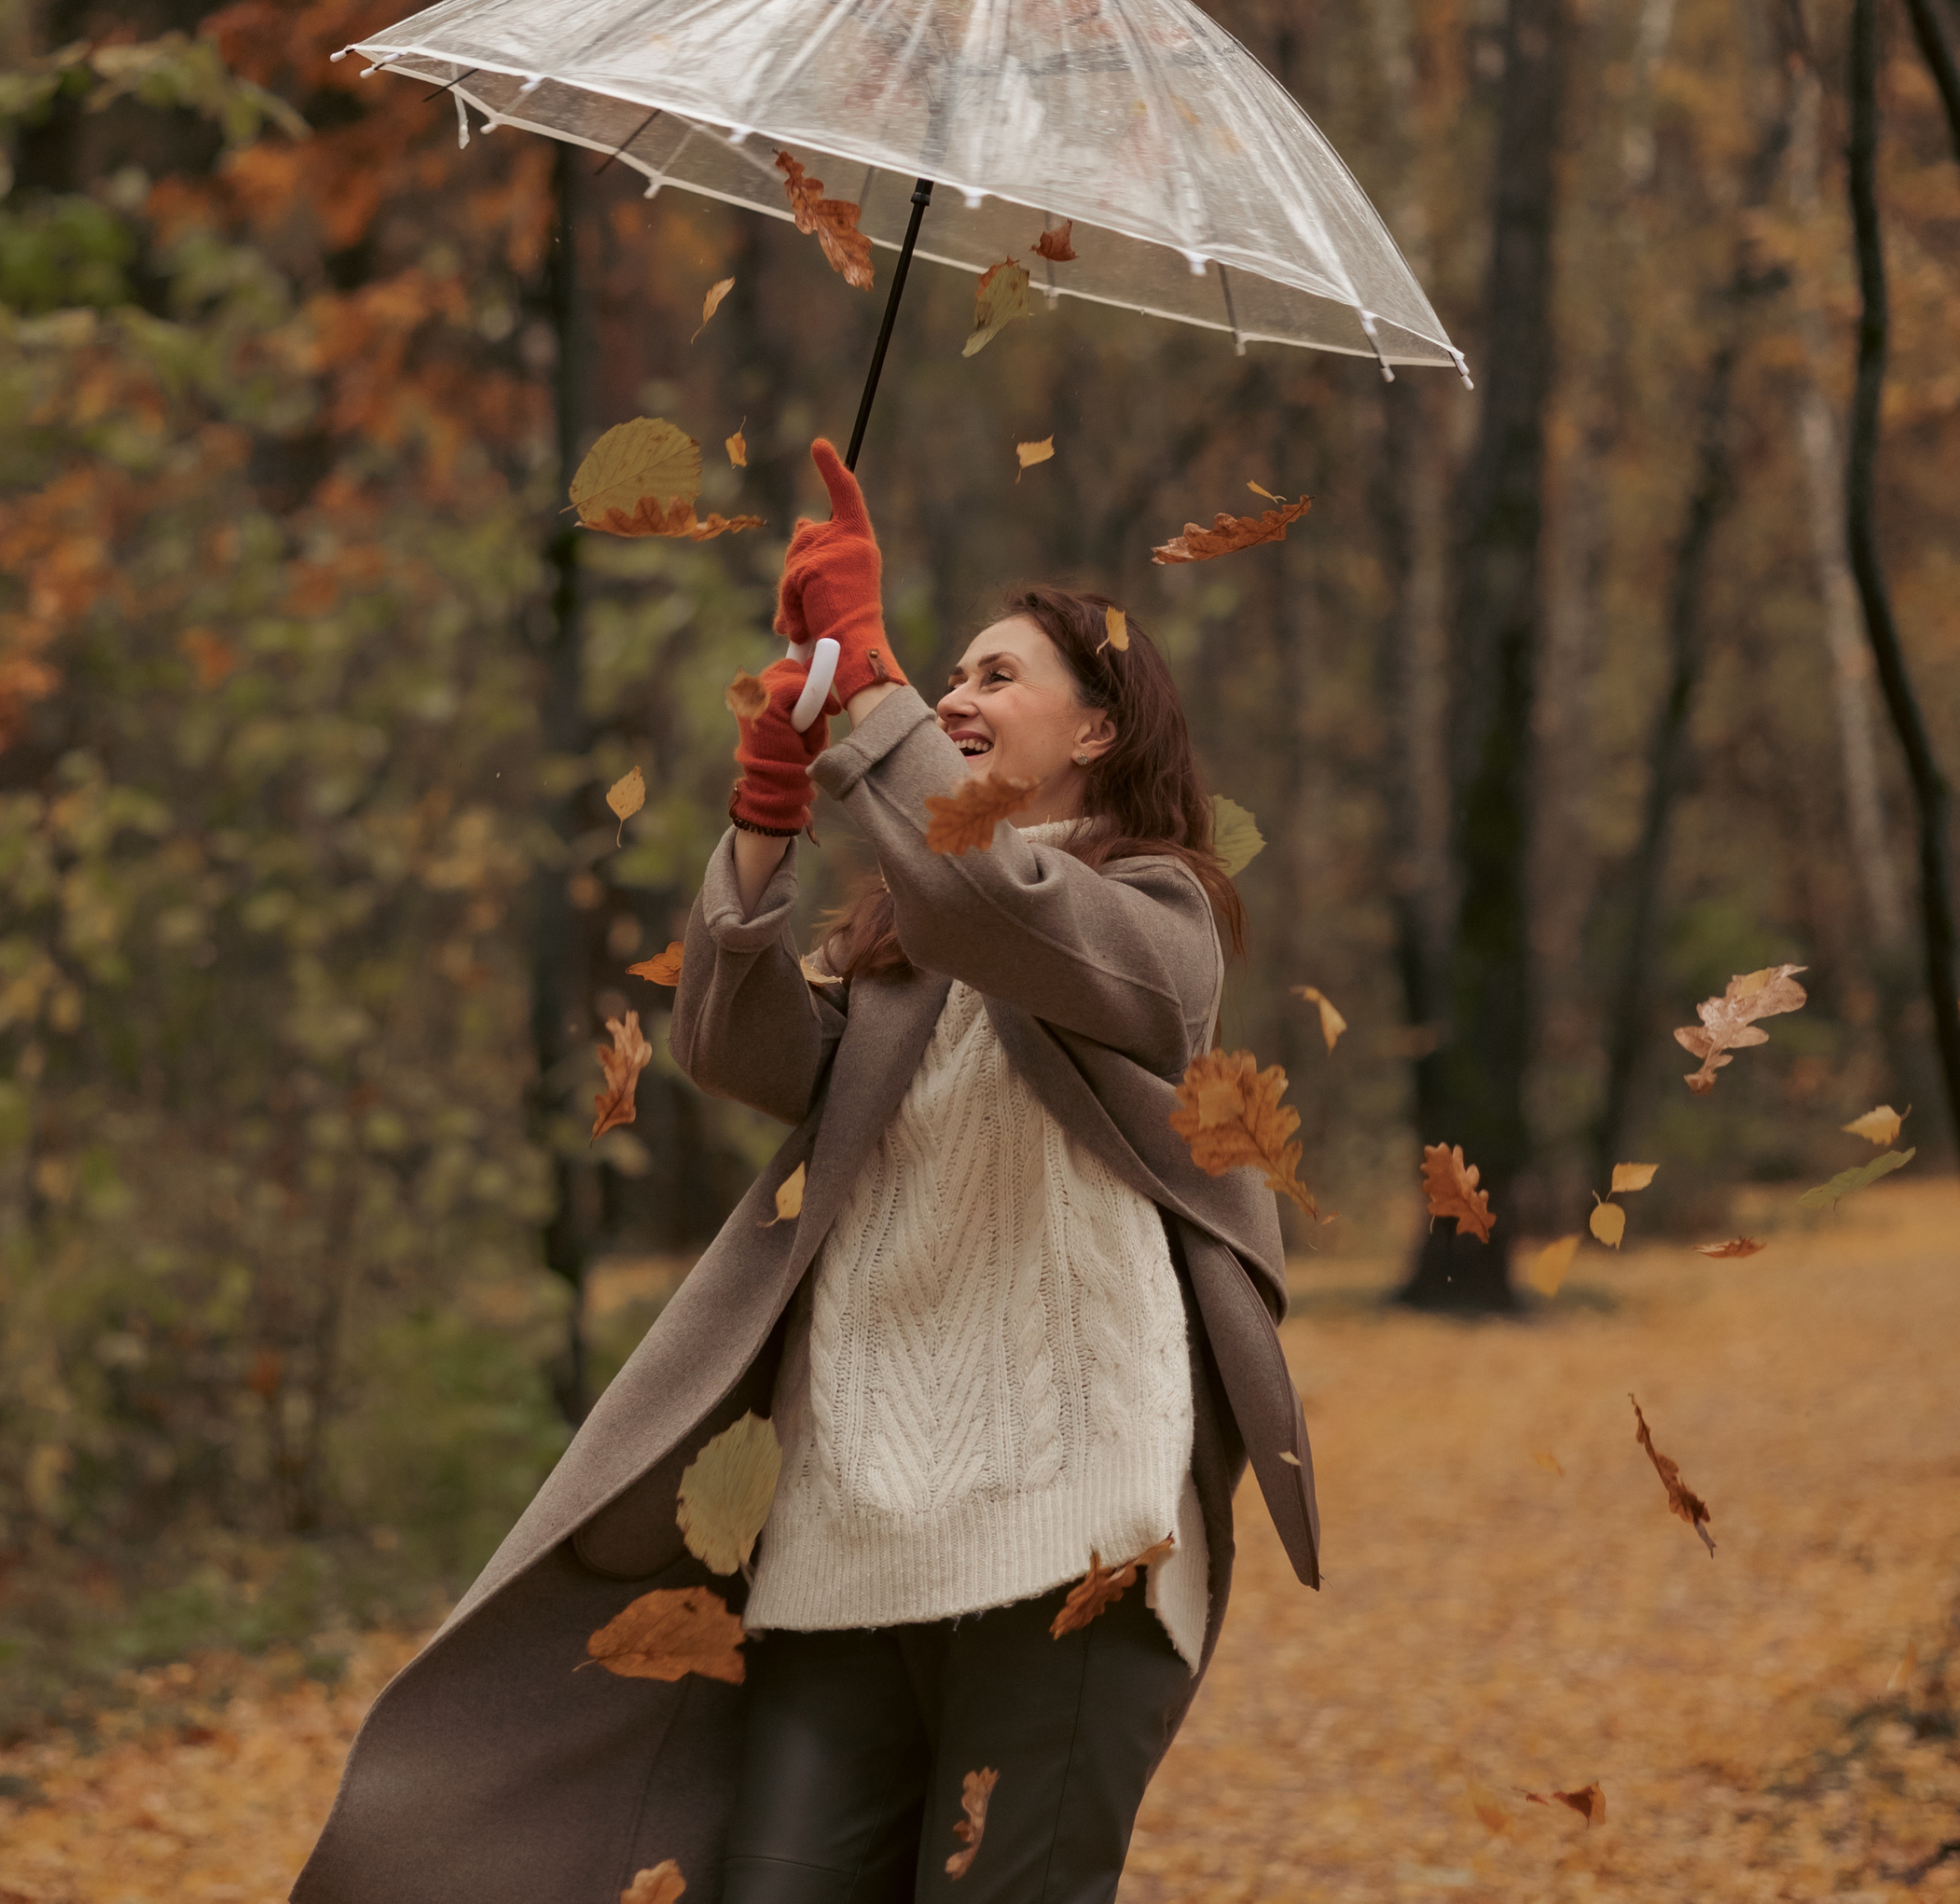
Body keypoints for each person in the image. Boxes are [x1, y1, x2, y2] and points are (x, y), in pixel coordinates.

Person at [292, 444, 1318, 1904]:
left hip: (1073, 1528)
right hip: (845, 1535)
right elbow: (737, 1043)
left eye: (994, 675)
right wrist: (765, 827)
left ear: (1098, 730)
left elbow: (1002, 908)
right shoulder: (903, 941)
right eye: (943, 674)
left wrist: (875, 692)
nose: (955, 696)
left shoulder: (1157, 925)